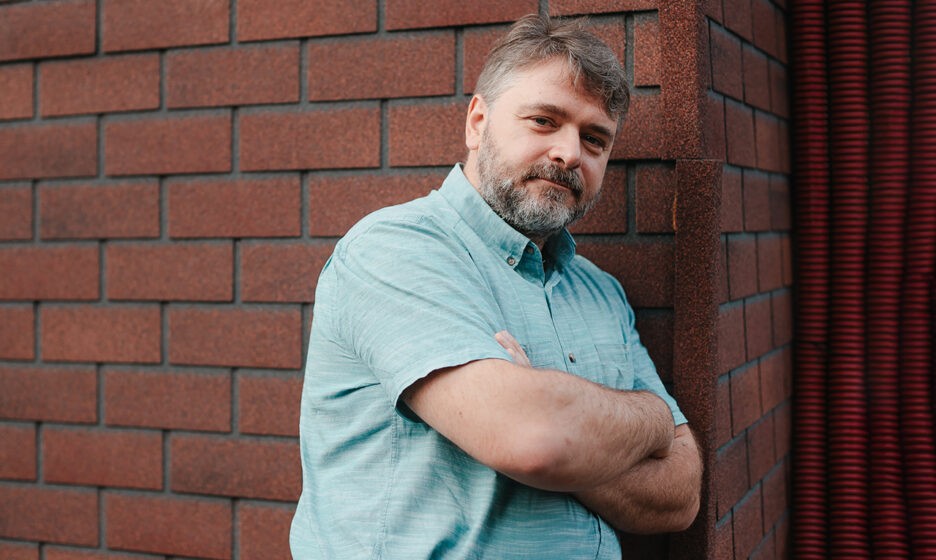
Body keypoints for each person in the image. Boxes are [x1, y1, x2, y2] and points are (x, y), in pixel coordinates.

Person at [290, 14, 702, 559]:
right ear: (478, 122)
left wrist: (565, 430)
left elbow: (680, 497)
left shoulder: (601, 293)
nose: (570, 153)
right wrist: (652, 417)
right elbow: (534, 439)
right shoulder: (395, 251)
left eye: (595, 138)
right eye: (544, 120)